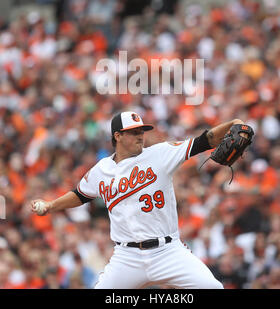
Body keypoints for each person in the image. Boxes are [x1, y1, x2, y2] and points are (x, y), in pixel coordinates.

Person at [31, 111, 248, 289]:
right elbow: (80, 194)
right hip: (127, 256)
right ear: (117, 136)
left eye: (141, 131)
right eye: (133, 132)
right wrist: (51, 205)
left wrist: (234, 123)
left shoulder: (160, 154)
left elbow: (205, 140)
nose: (140, 136)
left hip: (168, 251)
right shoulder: (101, 170)